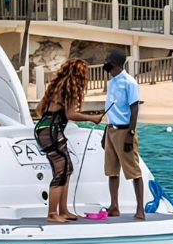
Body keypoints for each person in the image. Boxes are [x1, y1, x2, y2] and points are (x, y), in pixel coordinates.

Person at [35, 58, 102, 223]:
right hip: (52, 131)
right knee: (60, 171)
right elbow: (71, 114)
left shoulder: (56, 86)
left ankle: (63, 210)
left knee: (67, 169)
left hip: (43, 128)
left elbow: (38, 110)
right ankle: (52, 214)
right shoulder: (70, 88)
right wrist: (92, 118)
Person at [103, 48, 144, 220]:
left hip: (124, 130)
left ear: (113, 62)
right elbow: (112, 107)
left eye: (107, 60)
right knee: (112, 170)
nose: (104, 62)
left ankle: (140, 209)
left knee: (133, 171)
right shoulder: (111, 81)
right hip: (111, 129)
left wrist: (130, 133)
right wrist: (106, 130)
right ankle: (114, 205)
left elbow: (134, 109)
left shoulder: (130, 82)